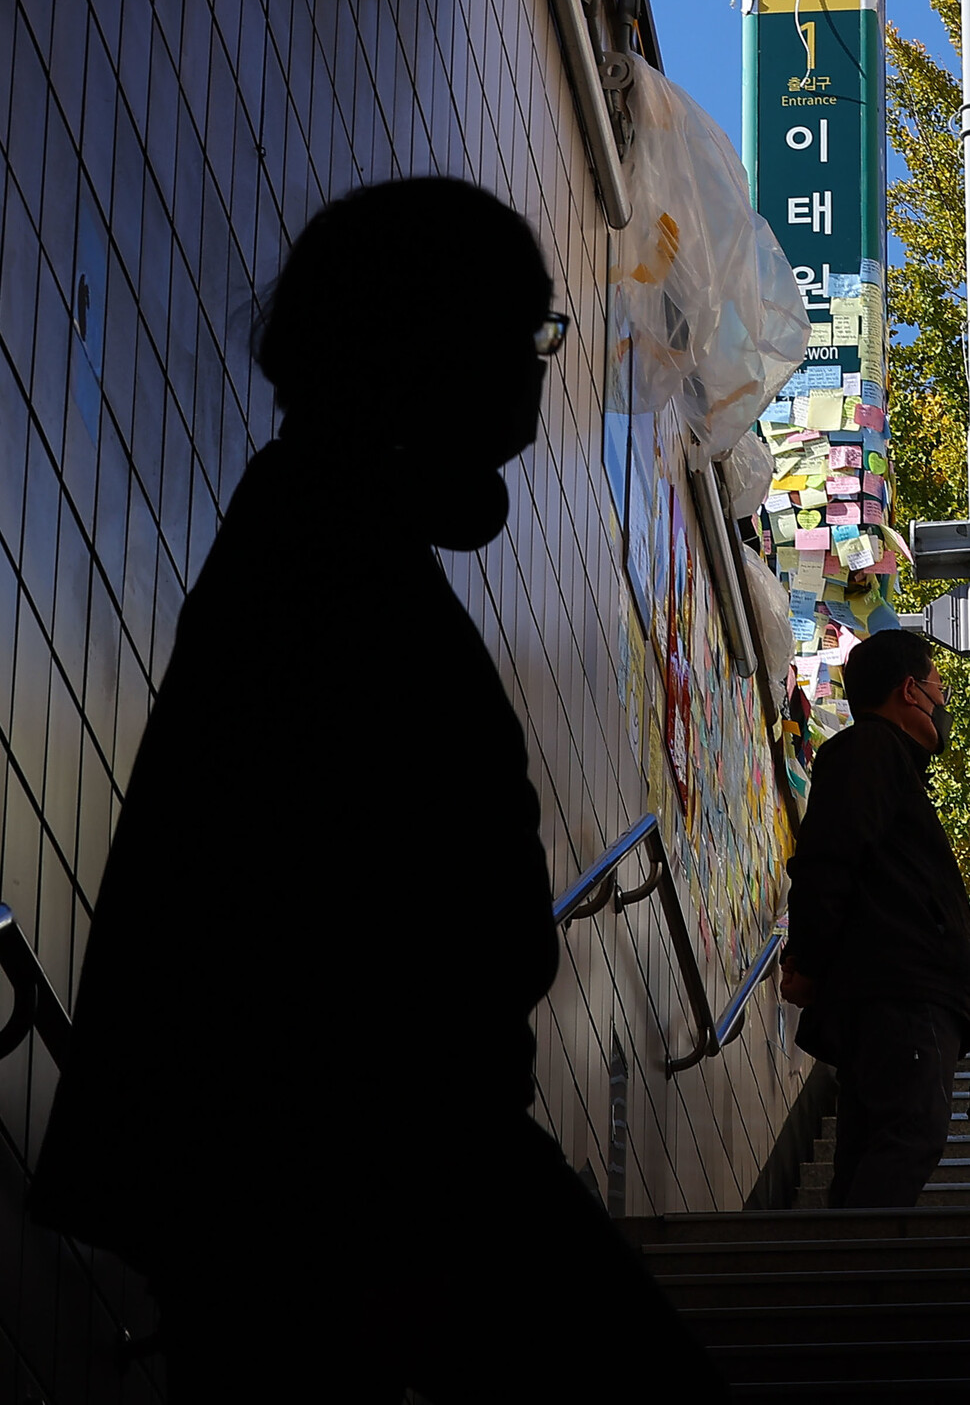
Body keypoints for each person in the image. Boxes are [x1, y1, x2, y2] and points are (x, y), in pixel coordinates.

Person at [30, 178, 726, 1401]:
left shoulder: (314, 526)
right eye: (526, 335)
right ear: (433, 345)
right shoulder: (333, 562)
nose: (532, 377)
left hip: (319, 1161)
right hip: (356, 1159)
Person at [782, 628, 970, 1208]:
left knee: (872, 1150)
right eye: (939, 688)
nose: (944, 705)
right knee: (911, 1133)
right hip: (901, 996)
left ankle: (840, 1274)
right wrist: (805, 962)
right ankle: (852, 1278)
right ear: (910, 691)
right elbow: (828, 859)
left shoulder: (885, 762)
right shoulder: (870, 751)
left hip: (890, 995)